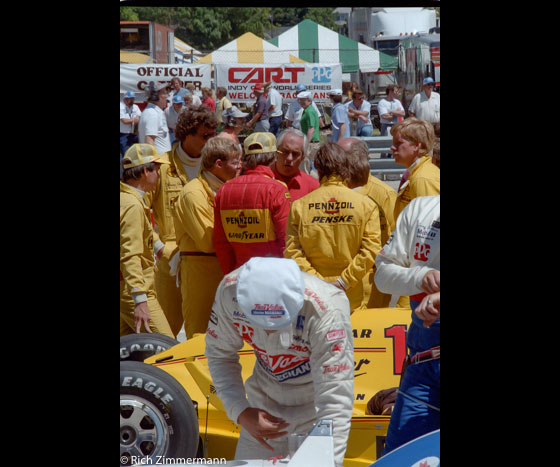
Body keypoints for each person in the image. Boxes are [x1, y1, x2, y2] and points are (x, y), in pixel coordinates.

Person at [205, 256, 354, 467]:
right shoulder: (229, 292)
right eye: (259, 322)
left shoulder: (327, 309)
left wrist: (329, 459)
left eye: (277, 324)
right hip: (261, 412)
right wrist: (240, 411)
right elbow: (219, 354)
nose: (267, 331)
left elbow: (335, 397)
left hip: (315, 417)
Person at [143, 105, 219, 337]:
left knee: (203, 333)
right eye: (205, 135)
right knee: (164, 332)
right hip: (170, 261)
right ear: (187, 134)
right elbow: (140, 211)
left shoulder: (217, 167)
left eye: (213, 134)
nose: (210, 140)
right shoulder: (161, 167)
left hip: (205, 262)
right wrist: (158, 248)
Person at [374, 194, 440, 455]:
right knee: (402, 457)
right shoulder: (421, 208)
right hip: (422, 366)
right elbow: (382, 275)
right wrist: (421, 276)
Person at [284, 142, 382, 311]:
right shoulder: (365, 205)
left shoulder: (300, 206)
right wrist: (343, 282)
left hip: (314, 293)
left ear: (318, 169)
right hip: (353, 291)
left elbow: (292, 251)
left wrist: (319, 282)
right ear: (346, 167)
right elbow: (371, 249)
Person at [173, 137, 242, 339]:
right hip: (200, 271)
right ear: (218, 165)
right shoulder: (193, 194)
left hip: (224, 270)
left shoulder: (227, 188)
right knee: (200, 334)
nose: (240, 166)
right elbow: (208, 242)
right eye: (235, 161)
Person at [339, 137, 409, 309]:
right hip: (338, 284)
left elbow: (401, 246)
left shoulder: (384, 195)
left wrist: (403, 301)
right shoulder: (332, 191)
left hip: (372, 290)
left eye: (339, 157)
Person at [213, 132, 291, 275]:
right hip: (273, 277)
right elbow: (286, 242)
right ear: (274, 157)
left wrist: (230, 275)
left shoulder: (223, 191)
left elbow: (221, 243)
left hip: (239, 276)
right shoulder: (277, 190)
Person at [120, 144, 173, 338]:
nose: (159, 176)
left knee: (129, 354)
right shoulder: (133, 205)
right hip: (134, 290)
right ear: (144, 171)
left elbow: (145, 234)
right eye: (157, 170)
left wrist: (164, 252)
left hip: (127, 288)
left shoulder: (127, 198)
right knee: (166, 347)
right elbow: (130, 254)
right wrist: (139, 299)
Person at [390, 117, 440, 220]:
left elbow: (428, 224)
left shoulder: (423, 178)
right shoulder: (418, 172)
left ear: (416, 146)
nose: (392, 147)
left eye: (398, 143)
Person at [271, 128, 319, 201]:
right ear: (276, 151)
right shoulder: (262, 182)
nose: (289, 158)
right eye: (285, 152)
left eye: (295, 154)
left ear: (303, 157)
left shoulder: (312, 187)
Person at [138, 81, 172, 155]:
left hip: (162, 163)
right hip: (158, 163)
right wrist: (153, 164)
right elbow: (149, 141)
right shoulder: (152, 113)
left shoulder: (155, 112)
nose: (167, 96)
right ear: (156, 96)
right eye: (164, 93)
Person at [297, 91, 321, 177]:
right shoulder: (307, 110)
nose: (301, 102)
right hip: (311, 142)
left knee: (305, 167)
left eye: (303, 100)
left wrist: (306, 143)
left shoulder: (309, 111)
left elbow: (311, 128)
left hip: (311, 143)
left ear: (309, 101)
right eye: (300, 100)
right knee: (308, 166)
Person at [377, 84, 405, 158]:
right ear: (390, 91)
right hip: (386, 126)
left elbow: (403, 113)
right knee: (385, 146)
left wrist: (390, 111)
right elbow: (384, 116)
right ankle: (383, 162)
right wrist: (396, 113)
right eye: (396, 91)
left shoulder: (397, 102)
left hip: (396, 126)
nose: (397, 93)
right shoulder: (382, 102)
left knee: (396, 145)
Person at [120, 91, 142, 157]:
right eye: (130, 98)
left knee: (139, 153)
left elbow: (139, 118)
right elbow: (124, 121)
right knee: (126, 154)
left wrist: (135, 127)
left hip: (134, 133)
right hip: (123, 134)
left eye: (133, 98)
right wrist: (134, 120)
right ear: (125, 99)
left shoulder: (135, 107)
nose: (132, 100)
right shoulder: (120, 107)